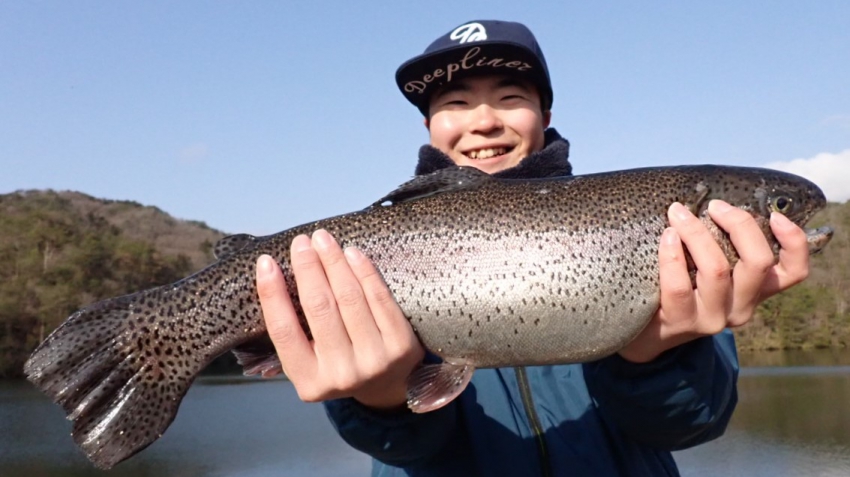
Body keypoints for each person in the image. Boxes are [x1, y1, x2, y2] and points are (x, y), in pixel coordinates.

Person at [254, 20, 811, 476]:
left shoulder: (671, 240)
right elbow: (406, 451)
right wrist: (380, 399)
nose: (484, 120)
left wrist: (658, 355)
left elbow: (689, 427)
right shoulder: (361, 254)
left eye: (509, 96)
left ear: (544, 116)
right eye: (456, 102)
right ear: (429, 127)